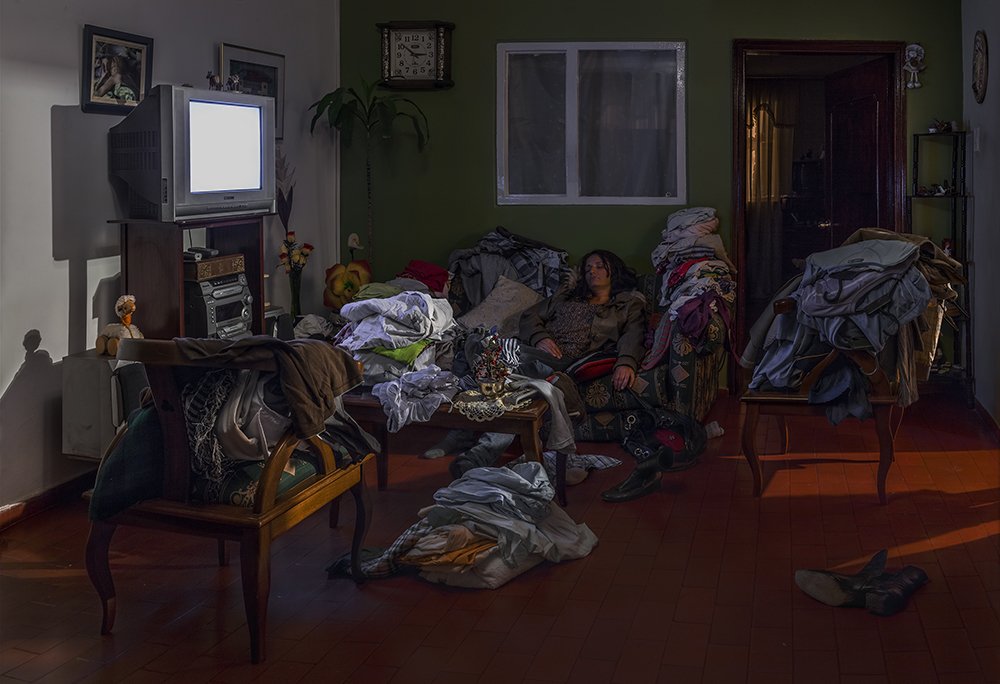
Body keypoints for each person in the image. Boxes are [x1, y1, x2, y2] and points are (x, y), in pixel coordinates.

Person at [442, 249, 647, 477]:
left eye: (599, 266)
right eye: (588, 268)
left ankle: (471, 448)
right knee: (478, 346)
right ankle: (465, 435)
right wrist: (541, 338)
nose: (592, 271)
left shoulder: (628, 305)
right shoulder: (567, 297)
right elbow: (530, 316)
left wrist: (626, 362)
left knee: (495, 362)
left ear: (613, 271)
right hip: (532, 351)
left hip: (562, 360)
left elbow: (634, 335)